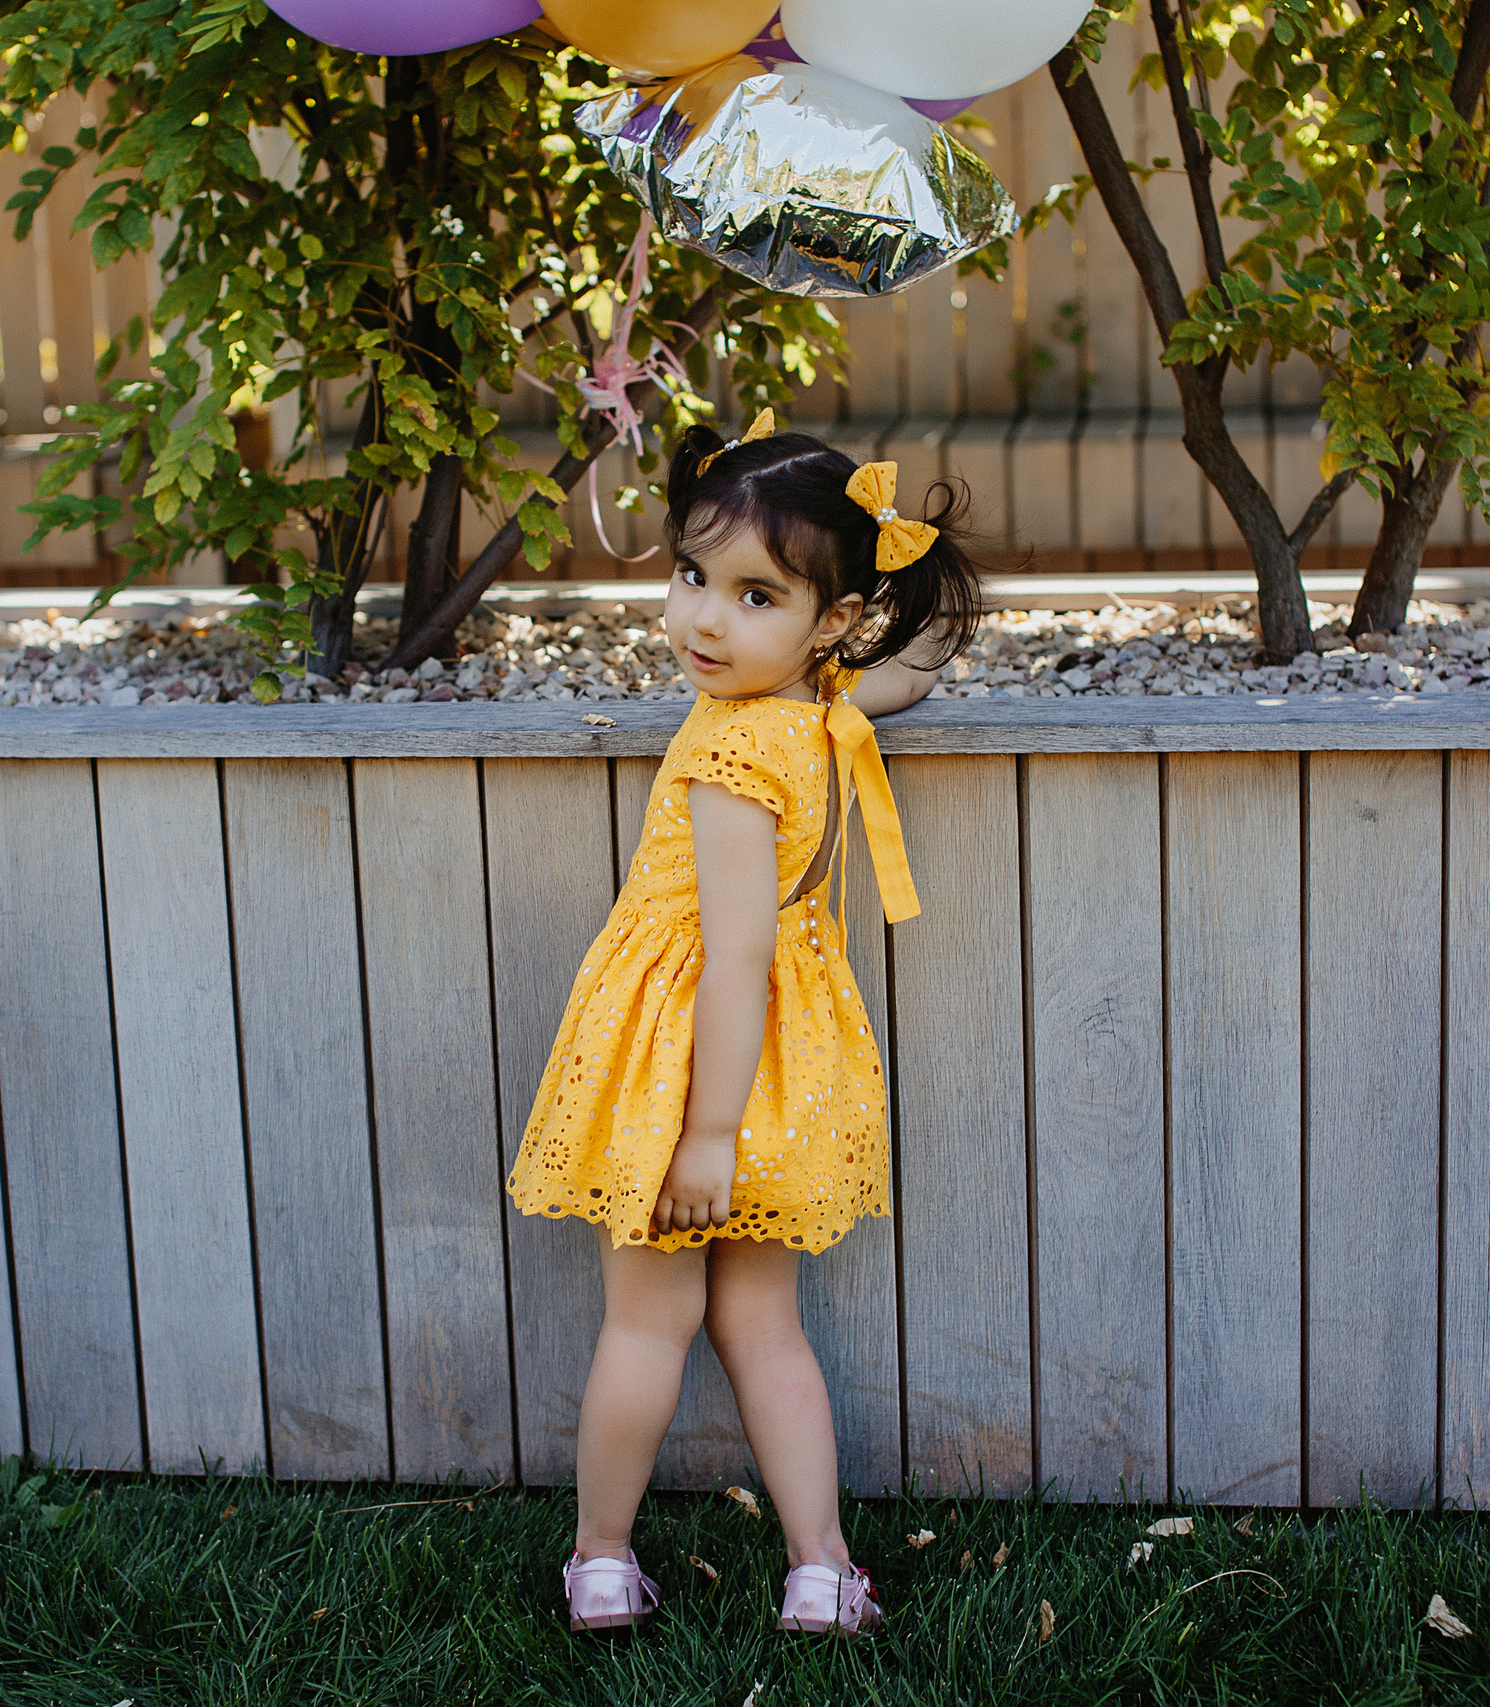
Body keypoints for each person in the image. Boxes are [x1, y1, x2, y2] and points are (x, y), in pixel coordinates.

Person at [505, 408, 986, 1636]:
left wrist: (702, 1136)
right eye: (689, 576)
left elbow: (734, 956)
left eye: (754, 596)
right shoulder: (821, 710)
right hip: (785, 1073)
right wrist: (906, 609)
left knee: (647, 1320)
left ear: (826, 619)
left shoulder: (734, 759)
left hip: (690, 1079)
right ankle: (820, 1568)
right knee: (762, 1323)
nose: (705, 620)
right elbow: (914, 666)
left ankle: (602, 1558)